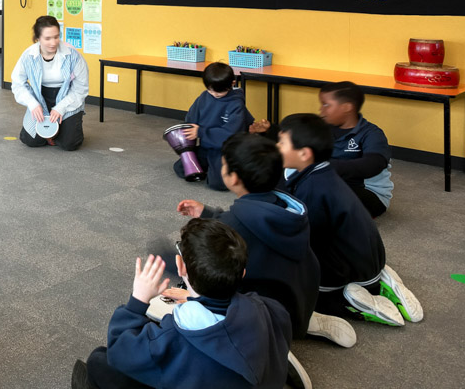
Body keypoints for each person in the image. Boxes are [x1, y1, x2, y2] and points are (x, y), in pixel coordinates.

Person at [73, 218, 291, 389]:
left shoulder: (173, 338)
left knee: (99, 360)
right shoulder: (270, 309)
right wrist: (193, 298)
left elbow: (120, 351)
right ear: (242, 273)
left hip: (192, 371)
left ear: (181, 267)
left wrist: (137, 301)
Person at [278, 114, 422, 337]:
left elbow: (309, 240)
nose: (276, 147)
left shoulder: (312, 188)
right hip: (370, 258)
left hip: (350, 269)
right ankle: (380, 282)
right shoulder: (324, 173)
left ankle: (354, 303)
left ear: (305, 154)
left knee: (301, 292)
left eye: (282, 142)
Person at [176, 133, 325, 344]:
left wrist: (170, 261)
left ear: (234, 177)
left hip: (266, 319)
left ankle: (271, 347)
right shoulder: (287, 207)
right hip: (300, 302)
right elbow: (247, 220)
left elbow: (206, 263)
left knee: (190, 297)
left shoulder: (234, 223)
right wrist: (209, 213)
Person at [172, 62, 255, 190]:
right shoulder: (204, 97)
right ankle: (211, 167)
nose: (215, 94)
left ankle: (239, 165)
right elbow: (191, 119)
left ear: (232, 84)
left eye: (220, 91)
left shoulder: (236, 104)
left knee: (218, 184)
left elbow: (231, 134)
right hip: (207, 146)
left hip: (225, 150)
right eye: (210, 90)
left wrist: (201, 132)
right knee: (180, 169)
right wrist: (186, 133)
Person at [11, 16, 88, 150]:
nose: (53, 42)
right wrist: (33, 104)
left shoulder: (73, 56)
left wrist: (60, 108)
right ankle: (47, 132)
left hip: (67, 99)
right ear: (38, 38)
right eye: (47, 38)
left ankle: (62, 130)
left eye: (56, 37)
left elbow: (80, 89)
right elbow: (18, 83)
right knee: (32, 141)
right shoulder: (28, 56)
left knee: (69, 144)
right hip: (41, 99)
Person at [318, 82, 392, 218]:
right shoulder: (323, 128)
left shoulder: (372, 133)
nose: (321, 110)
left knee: (321, 195)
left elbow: (373, 164)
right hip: (333, 183)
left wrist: (327, 166)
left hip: (369, 193)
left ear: (346, 107)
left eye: (326, 104)